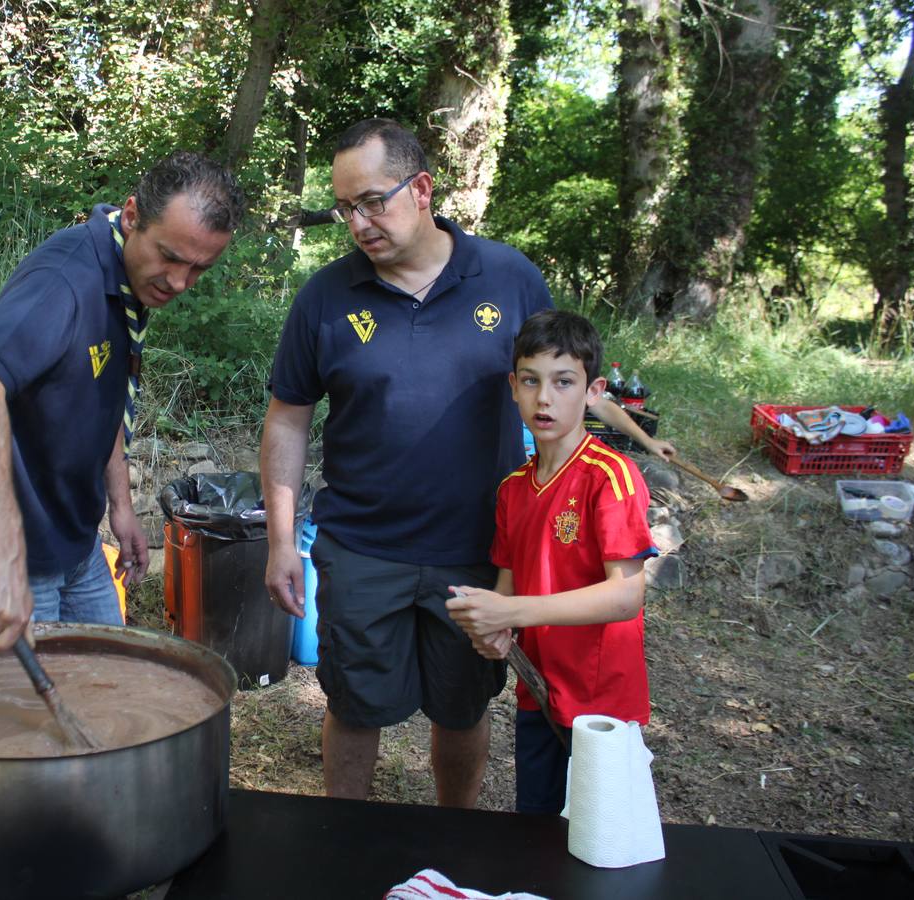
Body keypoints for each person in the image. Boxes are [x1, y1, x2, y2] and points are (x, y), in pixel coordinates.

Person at [260, 118, 665, 808]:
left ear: (421, 189)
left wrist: (635, 451)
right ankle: (342, 840)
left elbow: (563, 387)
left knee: (462, 707)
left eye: (372, 201)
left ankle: (459, 836)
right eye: (344, 207)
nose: (358, 222)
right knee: (355, 705)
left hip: (480, 550)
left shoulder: (507, 277)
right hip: (361, 548)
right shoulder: (325, 297)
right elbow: (287, 418)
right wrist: (279, 542)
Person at [0, 152, 245, 650]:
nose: (179, 282)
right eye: (169, 256)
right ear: (131, 216)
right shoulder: (64, 280)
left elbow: (101, 402)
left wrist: (120, 507)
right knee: (21, 718)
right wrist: (4, 559)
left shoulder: (126, 281)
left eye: (198, 269)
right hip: (10, 549)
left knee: (107, 683)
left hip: (76, 542)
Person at [445, 309, 657, 814]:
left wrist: (513, 615)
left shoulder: (610, 476)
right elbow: (507, 591)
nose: (545, 398)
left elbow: (626, 594)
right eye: (531, 381)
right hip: (538, 692)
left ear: (593, 390)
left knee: (598, 839)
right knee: (536, 830)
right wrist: (490, 625)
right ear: (513, 387)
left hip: (600, 700)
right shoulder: (513, 489)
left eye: (564, 382)